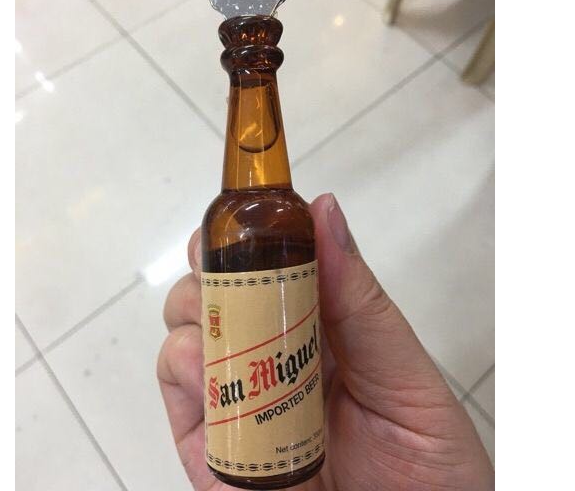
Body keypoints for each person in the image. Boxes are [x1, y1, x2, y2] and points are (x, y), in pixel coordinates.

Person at [158, 194, 495, 490]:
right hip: (259, 453)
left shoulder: (287, 211)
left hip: (327, 451)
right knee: (195, 346)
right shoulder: (229, 214)